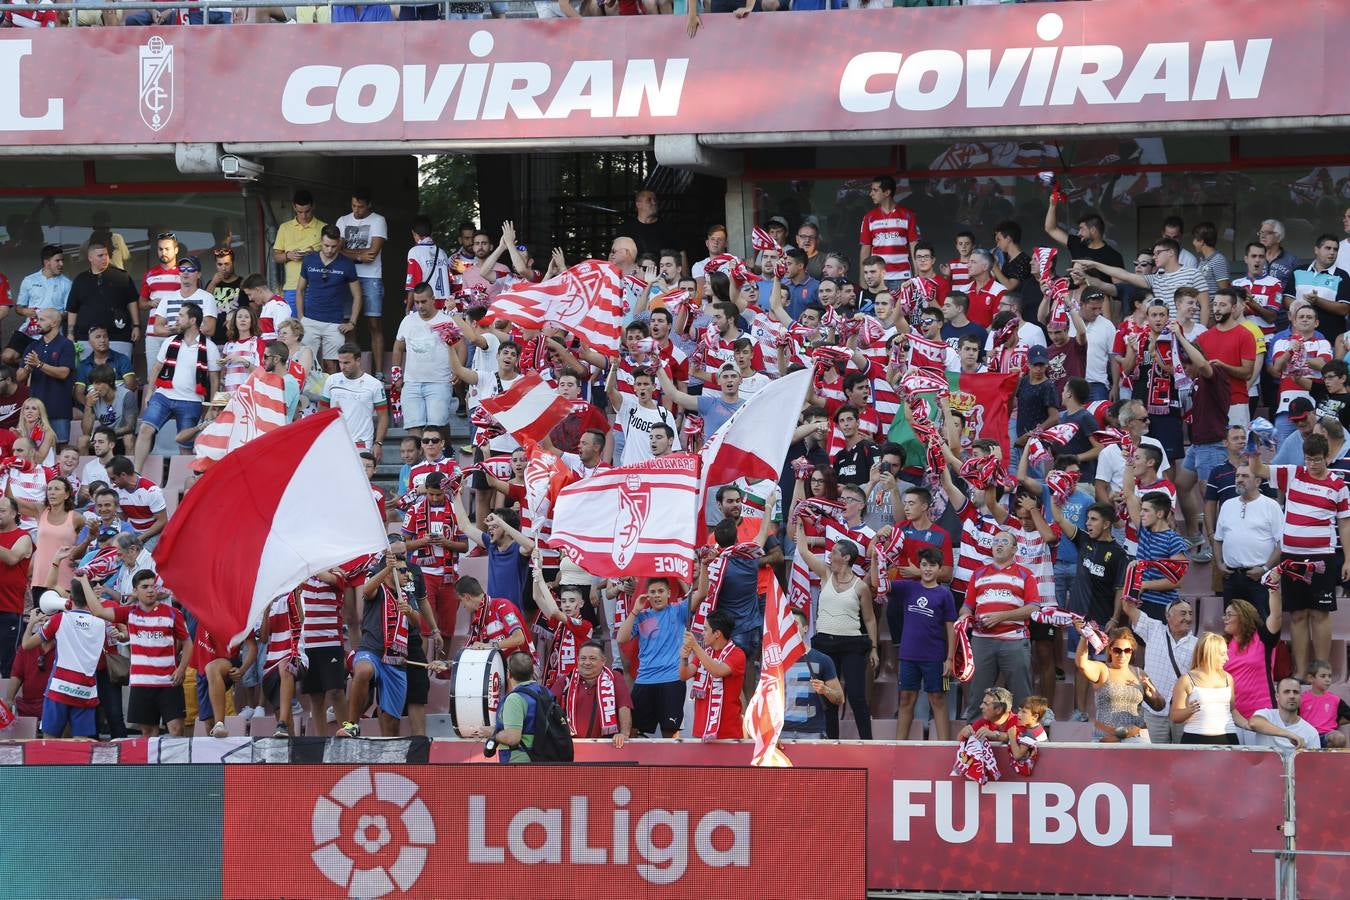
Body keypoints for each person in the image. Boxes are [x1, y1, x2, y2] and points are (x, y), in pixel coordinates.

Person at [1250, 434, 1350, 679]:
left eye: (1317, 460)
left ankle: (1322, 671)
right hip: (1292, 556)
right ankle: (1301, 672)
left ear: (1327, 457)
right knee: (1297, 614)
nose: (1312, 465)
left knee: (1320, 614)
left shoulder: (1339, 486)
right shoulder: (1293, 473)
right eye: (1308, 460)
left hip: (1322, 558)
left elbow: (1345, 525)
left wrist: (1348, 559)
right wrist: (1254, 448)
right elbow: (1259, 469)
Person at [793, 530, 876, 739]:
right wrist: (801, 524)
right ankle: (831, 741)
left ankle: (868, 743)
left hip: (852, 645)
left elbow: (869, 619)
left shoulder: (861, 586)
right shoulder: (826, 573)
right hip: (824, 644)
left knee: (856, 696)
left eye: (834, 552)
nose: (829, 556)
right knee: (827, 697)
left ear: (846, 557)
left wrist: (874, 648)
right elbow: (803, 551)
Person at [92, 569, 190, 738]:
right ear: (135, 591)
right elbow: (98, 612)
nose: (151, 590)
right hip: (142, 683)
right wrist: (85, 581)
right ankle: (153, 765)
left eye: (153, 586)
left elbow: (188, 642)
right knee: (148, 733)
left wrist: (181, 669)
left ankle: (175, 765)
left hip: (169, 683)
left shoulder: (173, 613)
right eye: (145, 587)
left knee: (176, 731)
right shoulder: (129, 612)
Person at [958, 528, 1040, 718]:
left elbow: (1034, 608)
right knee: (978, 694)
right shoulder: (978, 574)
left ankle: (1027, 736)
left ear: (1014, 549)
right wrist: (964, 617)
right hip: (982, 641)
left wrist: (1001, 616)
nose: (999, 545)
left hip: (1014, 641)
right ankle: (975, 740)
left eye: (1004, 541)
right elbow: (967, 606)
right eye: (995, 542)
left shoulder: (1025, 574)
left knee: (1021, 693)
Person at [134, 302, 221, 472]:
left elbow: (215, 380)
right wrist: (150, 392)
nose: (177, 318)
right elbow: (156, 368)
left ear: (192, 320)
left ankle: (185, 483)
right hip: (164, 396)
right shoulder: (170, 341)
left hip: (191, 401)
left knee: (185, 445)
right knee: (145, 429)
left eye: (181, 315)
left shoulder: (209, 347)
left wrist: (212, 407)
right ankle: (136, 475)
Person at [339, 551, 412, 738]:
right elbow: (366, 590)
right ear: (390, 573)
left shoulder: (406, 596)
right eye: (402, 570)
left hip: (396, 658)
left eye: (406, 570)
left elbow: (418, 624)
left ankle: (388, 758)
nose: (407, 574)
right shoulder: (378, 589)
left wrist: (410, 611)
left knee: (391, 725)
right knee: (363, 670)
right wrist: (387, 566)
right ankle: (352, 725)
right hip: (371, 651)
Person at [22, 577, 104, 739]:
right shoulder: (101, 623)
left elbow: (26, 645)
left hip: (59, 687)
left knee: (50, 738)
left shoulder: (59, 619)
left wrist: (31, 623)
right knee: (82, 742)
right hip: (86, 690)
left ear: (70, 598)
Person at [890, 547, 956, 741]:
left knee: (938, 699)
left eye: (932, 565)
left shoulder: (945, 594)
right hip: (908, 656)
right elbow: (879, 585)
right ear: (919, 566)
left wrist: (949, 659)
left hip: (935, 657)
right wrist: (877, 559)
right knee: (905, 699)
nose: (927, 569)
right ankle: (899, 747)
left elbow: (951, 628)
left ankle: (944, 748)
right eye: (924, 565)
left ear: (939, 569)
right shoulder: (908, 587)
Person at [616, 577, 688, 738]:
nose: (657, 595)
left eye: (661, 591)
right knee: (633, 731)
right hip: (644, 680)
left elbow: (702, 593)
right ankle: (637, 764)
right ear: (647, 595)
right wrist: (635, 611)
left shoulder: (678, 611)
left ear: (669, 593)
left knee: (670, 732)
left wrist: (701, 566)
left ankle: (672, 764)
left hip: (672, 680)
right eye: (653, 592)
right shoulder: (641, 616)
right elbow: (621, 638)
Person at [1213, 464, 1283, 617]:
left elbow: (1281, 544)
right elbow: (1218, 540)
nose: (1239, 480)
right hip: (1232, 577)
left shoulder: (1271, 506)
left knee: (1263, 626)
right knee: (1233, 627)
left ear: (1258, 481)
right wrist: (1219, 564)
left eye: (1245, 476)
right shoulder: (1227, 505)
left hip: (1260, 578)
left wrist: (1264, 569)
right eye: (1237, 476)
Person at [1076, 626, 1163, 743]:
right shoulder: (1102, 669)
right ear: (1110, 649)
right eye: (1118, 650)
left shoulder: (1139, 673)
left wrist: (1155, 696)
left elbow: (1159, 706)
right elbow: (1082, 664)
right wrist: (1084, 637)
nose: (1122, 655)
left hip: (1136, 738)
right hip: (1106, 738)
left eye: (1127, 650)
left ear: (1132, 651)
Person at [336, 188, 389, 377]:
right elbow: (336, 250)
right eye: (353, 206)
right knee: (350, 325)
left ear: (369, 205)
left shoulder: (378, 220)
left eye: (360, 206)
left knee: (374, 323)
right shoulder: (343, 221)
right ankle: (353, 371)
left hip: (371, 277)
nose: (356, 210)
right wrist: (359, 255)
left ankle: (379, 372)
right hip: (347, 278)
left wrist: (347, 254)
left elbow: (372, 254)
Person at [296, 225, 362, 373]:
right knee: (306, 365)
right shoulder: (309, 260)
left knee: (332, 366)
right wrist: (301, 317)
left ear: (339, 243)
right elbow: (299, 289)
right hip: (310, 320)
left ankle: (331, 396)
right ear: (320, 241)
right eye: (326, 245)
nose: (329, 250)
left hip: (334, 322)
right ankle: (306, 396)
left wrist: (352, 322)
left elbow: (357, 295)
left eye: (333, 246)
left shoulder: (347, 264)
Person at [393, 284, 454, 437]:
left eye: (423, 302)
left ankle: (446, 454)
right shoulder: (407, 321)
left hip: (439, 381)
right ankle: (418, 462)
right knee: (413, 429)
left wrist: (457, 372)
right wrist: (396, 375)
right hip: (412, 382)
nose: (419, 306)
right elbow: (398, 347)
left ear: (433, 299)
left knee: (437, 428)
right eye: (416, 302)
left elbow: (460, 348)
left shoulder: (446, 320)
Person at [65, 241, 140, 360]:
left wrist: (136, 326)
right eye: (100, 255)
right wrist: (70, 333)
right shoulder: (80, 279)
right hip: (86, 337)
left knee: (121, 374)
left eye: (106, 255)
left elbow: (132, 302)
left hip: (118, 335)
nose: (104, 258)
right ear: (90, 258)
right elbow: (72, 309)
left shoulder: (121, 277)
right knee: (88, 375)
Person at [551, 639, 632, 748]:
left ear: (603, 660)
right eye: (583, 658)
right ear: (578, 660)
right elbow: (549, 708)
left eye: (592, 658)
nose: (587, 663)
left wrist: (623, 733)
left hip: (607, 746)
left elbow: (624, 706)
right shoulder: (565, 681)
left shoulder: (614, 677)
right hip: (571, 746)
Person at [680, 608, 746, 740]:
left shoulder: (737, 654)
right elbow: (684, 675)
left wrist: (696, 647)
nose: (702, 633)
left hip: (728, 732)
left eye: (705, 629)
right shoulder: (704, 653)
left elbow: (717, 671)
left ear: (717, 633)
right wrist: (683, 658)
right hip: (702, 729)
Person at [780, 610, 843, 740]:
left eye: (795, 624)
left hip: (812, 733)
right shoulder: (774, 661)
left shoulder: (822, 660)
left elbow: (840, 698)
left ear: (805, 628)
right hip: (780, 733)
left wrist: (825, 689)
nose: (790, 628)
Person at [1223, 593, 1286, 722]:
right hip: (1231, 716)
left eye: (1229, 615)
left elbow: (1276, 616)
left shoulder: (1263, 637)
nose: (1225, 619)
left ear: (1243, 616)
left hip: (1263, 714)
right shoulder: (1222, 643)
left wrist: (1273, 589)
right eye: (1225, 615)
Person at [17, 308, 75, 444]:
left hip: (59, 408)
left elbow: (63, 373)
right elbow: (19, 378)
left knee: (60, 448)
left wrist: (39, 364)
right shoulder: (32, 345)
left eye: (42, 319)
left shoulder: (66, 345)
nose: (37, 323)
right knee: (33, 448)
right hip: (35, 412)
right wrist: (28, 367)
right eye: (37, 319)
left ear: (54, 323)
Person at [7, 244, 70, 369]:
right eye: (57, 260)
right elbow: (18, 307)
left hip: (51, 333)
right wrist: (25, 311)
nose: (61, 264)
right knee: (7, 356)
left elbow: (69, 312)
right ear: (47, 262)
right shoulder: (29, 280)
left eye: (62, 260)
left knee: (50, 363)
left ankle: (38, 370)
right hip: (29, 330)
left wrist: (52, 317)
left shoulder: (67, 283)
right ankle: (35, 370)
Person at [319, 344, 388, 452]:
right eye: (340, 362)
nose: (342, 367)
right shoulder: (331, 380)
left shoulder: (374, 384)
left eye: (346, 363)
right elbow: (322, 411)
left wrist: (378, 443)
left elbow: (383, 416)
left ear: (358, 360)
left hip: (361, 443)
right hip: (335, 441)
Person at [272, 189, 325, 313]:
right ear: (294, 207)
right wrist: (288, 255)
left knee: (314, 327)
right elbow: (276, 257)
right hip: (292, 287)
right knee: (294, 328)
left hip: (316, 286)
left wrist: (314, 254)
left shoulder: (323, 227)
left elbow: (333, 256)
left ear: (313, 206)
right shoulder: (285, 228)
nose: (303, 215)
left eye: (307, 211)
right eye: (299, 211)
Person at [489, 651, 545, 764]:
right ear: (532, 672)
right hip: (543, 758)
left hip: (519, 763)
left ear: (509, 674)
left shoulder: (515, 699)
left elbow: (512, 738)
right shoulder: (544, 692)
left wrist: (494, 734)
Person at [0, 496, 33, 679]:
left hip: (8, 609)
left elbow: (12, 558)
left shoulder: (23, 537)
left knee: (7, 664)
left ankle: (5, 706)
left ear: (14, 514)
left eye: (2, 510)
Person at [108, 457, 167, 549]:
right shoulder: (116, 490)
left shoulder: (151, 490)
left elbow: (162, 521)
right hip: (134, 533)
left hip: (156, 534)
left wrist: (139, 538)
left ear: (123, 475)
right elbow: (121, 519)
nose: (112, 483)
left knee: (142, 556)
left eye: (113, 478)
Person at [1247, 677, 1319, 752]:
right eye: (1286, 692)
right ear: (1277, 697)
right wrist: (1288, 734)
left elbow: (1314, 762)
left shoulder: (1311, 732)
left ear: (1301, 697)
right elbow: (1253, 723)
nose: (1292, 696)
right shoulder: (1266, 714)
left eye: (1296, 692)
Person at [31, 476, 78, 592]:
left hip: (65, 582)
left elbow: (84, 548)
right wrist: (6, 475)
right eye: (49, 489)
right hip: (40, 580)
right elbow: (12, 500)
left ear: (66, 495)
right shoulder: (41, 511)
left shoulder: (77, 518)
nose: (52, 492)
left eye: (57, 489)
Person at [1300, 660, 1350, 748]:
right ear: (1311, 678)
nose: (1327, 679)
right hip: (1307, 735)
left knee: (1340, 738)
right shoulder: (1301, 698)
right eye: (1323, 676)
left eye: (1329, 676)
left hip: (1328, 735)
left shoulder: (1335, 699)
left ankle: (1326, 758)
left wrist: (1336, 721)